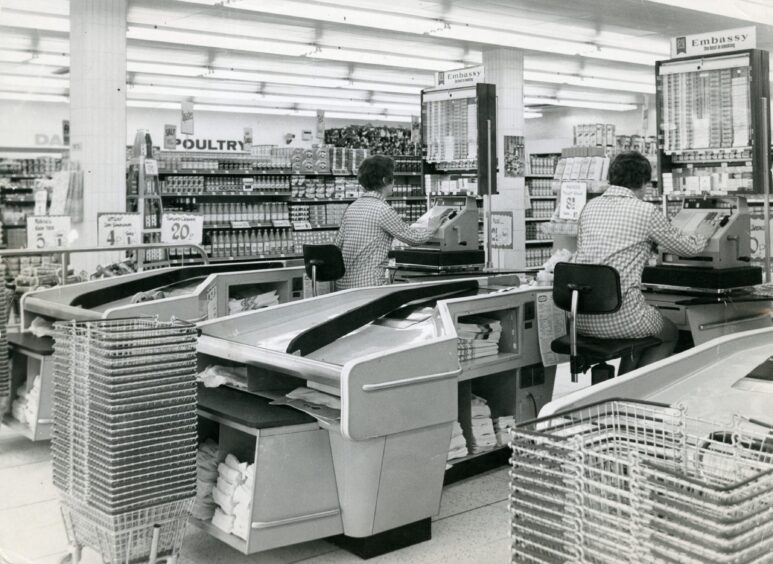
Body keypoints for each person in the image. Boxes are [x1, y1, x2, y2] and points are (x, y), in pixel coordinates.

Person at [573, 151, 709, 374]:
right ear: (643, 181)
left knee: (641, 335)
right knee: (669, 333)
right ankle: (636, 388)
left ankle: (623, 385)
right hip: (623, 317)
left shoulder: (590, 207)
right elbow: (689, 248)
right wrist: (704, 232)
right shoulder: (645, 210)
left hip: (581, 317)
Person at [335, 155, 439, 289]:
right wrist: (433, 228)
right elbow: (414, 239)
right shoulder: (383, 210)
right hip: (369, 286)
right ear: (385, 180)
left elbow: (337, 244)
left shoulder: (352, 207)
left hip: (344, 286)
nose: (394, 183)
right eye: (393, 178)